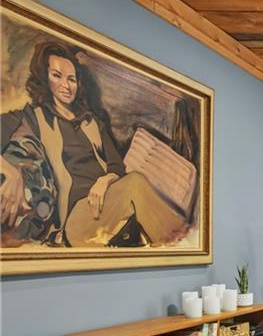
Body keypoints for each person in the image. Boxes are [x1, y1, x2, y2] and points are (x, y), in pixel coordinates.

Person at [1, 41, 185, 247]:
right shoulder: (33, 117)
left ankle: (181, 245)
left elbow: (116, 166)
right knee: (136, 184)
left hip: (107, 203)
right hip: (72, 219)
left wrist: (104, 181)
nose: (66, 85)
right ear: (45, 78)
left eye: (71, 79)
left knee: (136, 185)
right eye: (57, 75)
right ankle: (183, 243)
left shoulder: (92, 122)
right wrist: (10, 172)